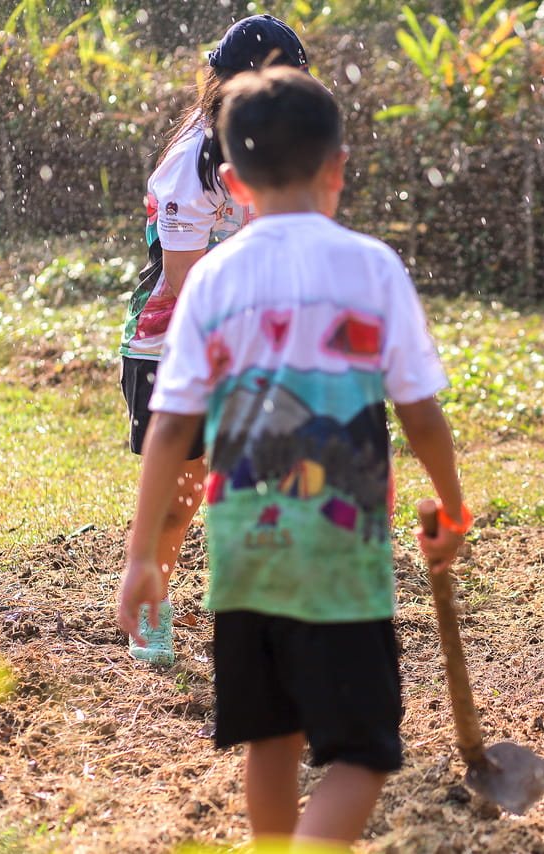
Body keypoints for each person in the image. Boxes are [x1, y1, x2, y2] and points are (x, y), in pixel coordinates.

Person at [116, 66, 468, 848]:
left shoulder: (211, 277)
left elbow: (171, 429)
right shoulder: (371, 266)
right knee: (365, 750)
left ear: (233, 184)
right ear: (338, 166)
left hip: (245, 557)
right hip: (342, 557)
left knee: (269, 738)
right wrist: (451, 504)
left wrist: (143, 556)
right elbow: (420, 414)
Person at [118, 14, 312, 664]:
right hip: (173, 341)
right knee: (181, 495)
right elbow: (184, 282)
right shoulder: (191, 162)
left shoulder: (284, 153)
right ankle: (150, 610)